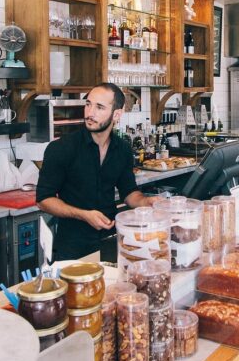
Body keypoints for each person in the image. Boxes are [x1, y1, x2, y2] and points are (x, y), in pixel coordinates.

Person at [36, 83, 158, 261]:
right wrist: (84, 215)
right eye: (88, 104)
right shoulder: (61, 148)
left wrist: (147, 202)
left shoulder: (122, 149)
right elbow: (43, 200)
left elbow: (129, 192)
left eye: (99, 107)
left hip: (110, 241)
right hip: (72, 248)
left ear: (117, 114)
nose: (90, 113)